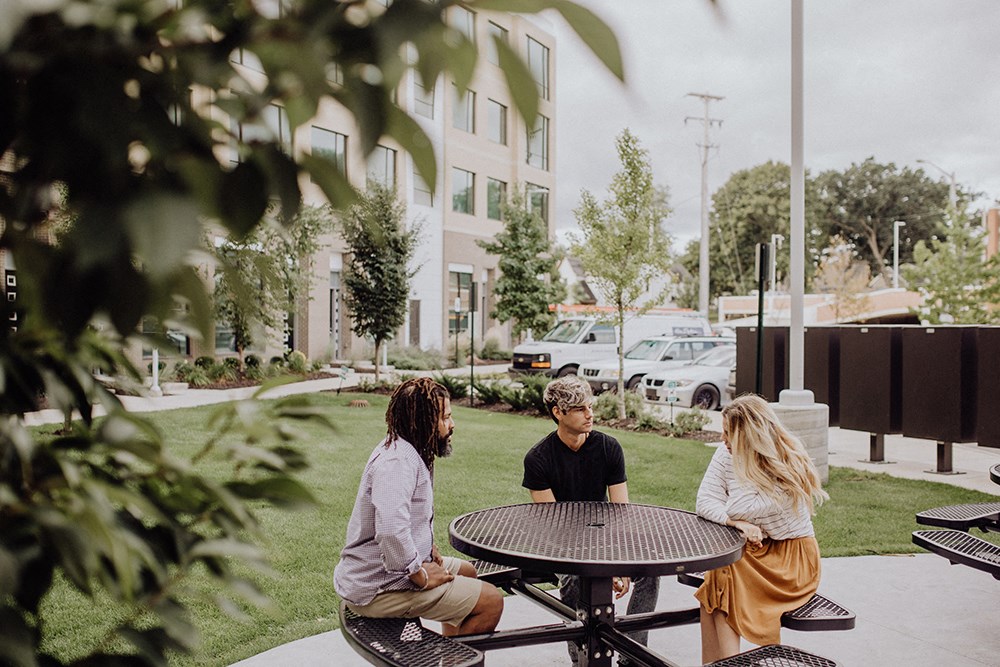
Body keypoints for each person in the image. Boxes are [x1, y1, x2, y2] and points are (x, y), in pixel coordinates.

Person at [334, 377, 503, 636]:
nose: (452, 424)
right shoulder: (397, 462)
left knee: (468, 572)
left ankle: (450, 651)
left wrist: (425, 548)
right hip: (378, 587)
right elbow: (390, 529)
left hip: (389, 571)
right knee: (491, 601)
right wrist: (420, 574)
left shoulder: (408, 449)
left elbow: (405, 521)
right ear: (422, 421)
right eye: (445, 417)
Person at [522, 375, 660, 666]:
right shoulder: (538, 458)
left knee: (650, 570)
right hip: (562, 544)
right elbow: (555, 526)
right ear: (558, 412)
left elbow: (621, 512)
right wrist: (603, 566)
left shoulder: (609, 448)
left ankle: (633, 655)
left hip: (605, 537)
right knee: (575, 577)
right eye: (581, 409)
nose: (590, 414)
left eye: (590, 406)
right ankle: (581, 657)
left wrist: (618, 560)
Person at [694, 394, 829, 663]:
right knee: (719, 573)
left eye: (728, 434)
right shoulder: (726, 451)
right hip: (754, 551)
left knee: (723, 569)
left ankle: (728, 664)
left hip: (791, 560)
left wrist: (735, 514)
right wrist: (737, 524)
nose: (722, 440)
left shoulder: (787, 466)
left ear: (748, 436)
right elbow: (704, 501)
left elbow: (738, 506)